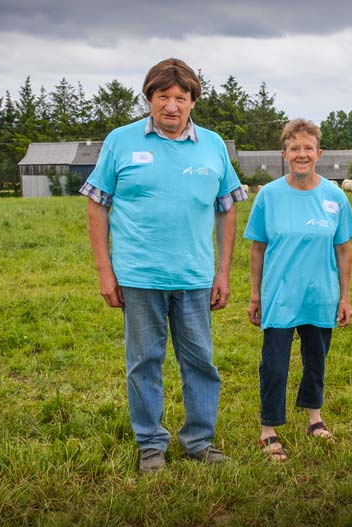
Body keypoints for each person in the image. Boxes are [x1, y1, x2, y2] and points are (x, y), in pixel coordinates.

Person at [81, 58, 246, 474]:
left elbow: (227, 209)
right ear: (149, 99)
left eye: (180, 97)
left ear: (193, 101)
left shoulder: (212, 144)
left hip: (194, 277)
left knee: (200, 363)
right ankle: (151, 444)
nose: (171, 106)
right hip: (139, 277)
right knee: (144, 362)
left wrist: (223, 272)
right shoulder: (120, 140)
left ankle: (199, 441)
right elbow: (96, 205)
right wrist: (105, 271)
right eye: (162, 97)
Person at [244, 119, 352, 461]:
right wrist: (255, 295)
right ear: (285, 154)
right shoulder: (269, 196)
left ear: (319, 153)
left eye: (308, 148)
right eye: (295, 148)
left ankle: (314, 419)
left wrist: (345, 296)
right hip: (279, 297)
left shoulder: (335, 197)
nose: (302, 154)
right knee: (274, 365)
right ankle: (269, 430)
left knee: (315, 362)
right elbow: (257, 249)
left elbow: (344, 250)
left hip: (320, 296)